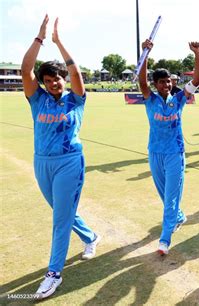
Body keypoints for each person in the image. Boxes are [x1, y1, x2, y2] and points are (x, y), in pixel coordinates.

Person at [21, 15, 100, 299]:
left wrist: (59, 42)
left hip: (70, 163)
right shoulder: (37, 98)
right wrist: (40, 37)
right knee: (61, 213)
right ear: (42, 83)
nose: (55, 82)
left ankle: (54, 273)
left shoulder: (75, 99)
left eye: (58, 78)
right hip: (42, 161)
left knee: (59, 220)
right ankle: (91, 237)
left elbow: (76, 74)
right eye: (49, 79)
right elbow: (25, 69)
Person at [138, 38, 199, 255]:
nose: (167, 85)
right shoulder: (150, 100)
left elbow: (196, 80)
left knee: (171, 197)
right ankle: (179, 216)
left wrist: (197, 54)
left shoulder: (179, 99)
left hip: (175, 153)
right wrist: (145, 53)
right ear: (156, 84)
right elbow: (142, 82)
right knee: (164, 194)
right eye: (162, 82)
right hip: (155, 153)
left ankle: (165, 239)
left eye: (169, 81)